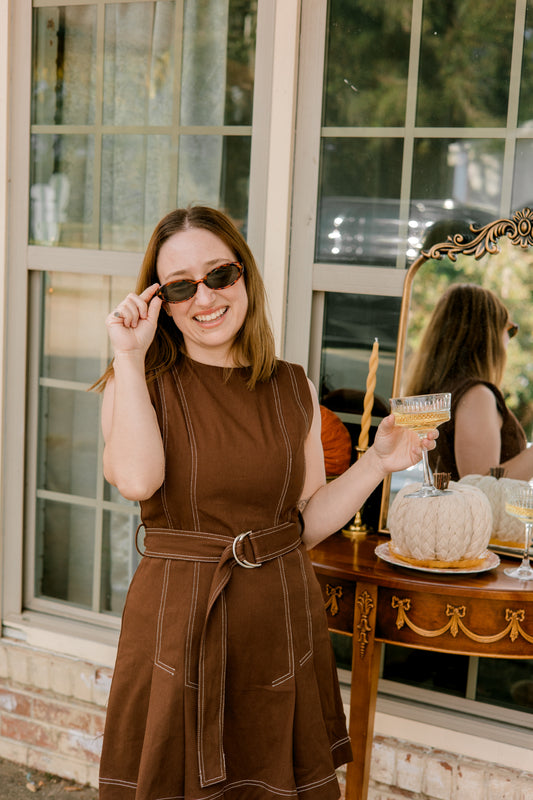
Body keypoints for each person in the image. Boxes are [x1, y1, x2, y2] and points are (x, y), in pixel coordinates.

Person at [95, 206, 437, 800]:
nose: (204, 298)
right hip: (179, 626)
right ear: (161, 302)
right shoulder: (139, 382)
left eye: (219, 275)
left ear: (244, 275)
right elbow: (136, 481)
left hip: (278, 621)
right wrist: (128, 354)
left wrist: (377, 463)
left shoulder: (292, 387)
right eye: (180, 286)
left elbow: (302, 524)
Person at [404, 282, 532, 481]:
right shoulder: (476, 396)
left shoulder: (444, 394)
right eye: (509, 329)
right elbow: (480, 485)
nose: (508, 339)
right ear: (487, 335)